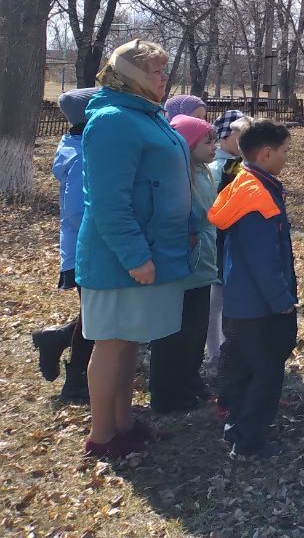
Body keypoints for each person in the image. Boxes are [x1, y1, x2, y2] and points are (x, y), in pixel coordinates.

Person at [76, 40, 195, 459]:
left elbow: (169, 181)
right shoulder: (113, 120)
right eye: (156, 72)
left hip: (152, 249)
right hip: (119, 257)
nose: (164, 78)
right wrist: (134, 256)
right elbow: (107, 201)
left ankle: (124, 423)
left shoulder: (146, 115)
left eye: (165, 70)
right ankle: (103, 436)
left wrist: (189, 227)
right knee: (112, 341)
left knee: (129, 341)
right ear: (132, 76)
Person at [209, 120, 297, 458]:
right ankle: (249, 439)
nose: (286, 158)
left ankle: (237, 423)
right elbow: (263, 258)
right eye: (285, 151)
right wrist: (281, 300)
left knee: (247, 367)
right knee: (267, 371)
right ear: (266, 153)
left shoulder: (250, 183)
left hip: (243, 300)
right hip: (259, 304)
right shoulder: (255, 195)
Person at [148, 115, 219, 412]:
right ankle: (167, 392)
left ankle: (190, 378)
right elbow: (196, 212)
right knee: (176, 330)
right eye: (207, 141)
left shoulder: (205, 172)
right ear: (189, 143)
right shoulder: (178, 175)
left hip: (204, 260)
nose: (214, 146)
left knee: (197, 326)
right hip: (183, 261)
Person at [31, 87, 98, 403]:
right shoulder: (83, 154)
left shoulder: (80, 147)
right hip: (89, 249)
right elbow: (76, 211)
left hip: (89, 247)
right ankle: (75, 385)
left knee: (93, 314)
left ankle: (56, 338)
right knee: (95, 319)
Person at [207, 110, 249, 384]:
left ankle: (232, 348)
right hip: (218, 244)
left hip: (239, 243)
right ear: (223, 137)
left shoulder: (241, 166)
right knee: (216, 301)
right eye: (239, 133)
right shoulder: (216, 169)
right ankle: (215, 352)